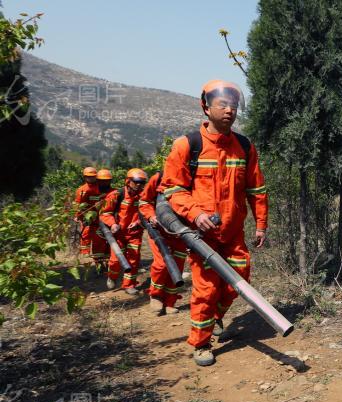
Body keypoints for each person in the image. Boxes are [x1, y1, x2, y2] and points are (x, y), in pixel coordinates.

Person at [160, 80, 268, 367]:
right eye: (222, 104)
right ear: (206, 106)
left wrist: (260, 223)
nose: (229, 110)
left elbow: (256, 190)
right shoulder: (187, 146)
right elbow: (173, 189)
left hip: (233, 234)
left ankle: (216, 316)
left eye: (233, 105)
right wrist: (195, 214)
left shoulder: (244, 147)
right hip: (202, 235)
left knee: (240, 280)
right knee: (206, 289)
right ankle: (201, 342)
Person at [138, 170, 188, 315]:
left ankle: (170, 301)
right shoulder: (159, 177)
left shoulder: (193, 176)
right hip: (159, 231)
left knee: (177, 267)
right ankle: (156, 296)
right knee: (161, 265)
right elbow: (144, 201)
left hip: (180, 232)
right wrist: (151, 216)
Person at [100, 168, 148, 295]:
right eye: (136, 181)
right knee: (115, 260)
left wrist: (138, 222)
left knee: (133, 259)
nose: (139, 185)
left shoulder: (144, 196)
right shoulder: (117, 194)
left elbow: (148, 212)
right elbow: (105, 213)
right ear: (128, 181)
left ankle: (129, 285)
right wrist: (113, 224)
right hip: (118, 234)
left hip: (135, 234)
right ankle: (112, 276)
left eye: (142, 182)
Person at [73, 167, 102, 267]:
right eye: (89, 177)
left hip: (99, 218)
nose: (91, 178)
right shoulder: (81, 190)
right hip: (86, 218)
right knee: (85, 236)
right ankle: (85, 257)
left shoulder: (101, 187)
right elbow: (78, 204)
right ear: (85, 177)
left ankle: (99, 261)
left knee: (98, 238)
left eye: (93, 177)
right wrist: (77, 216)